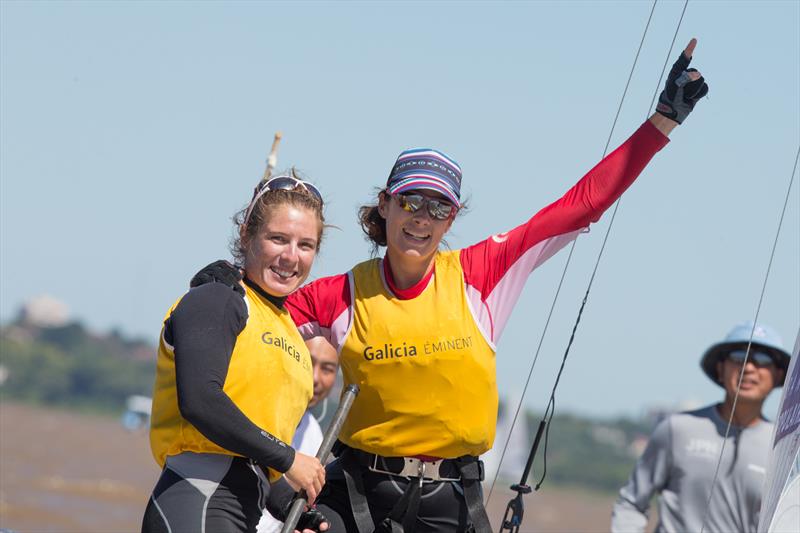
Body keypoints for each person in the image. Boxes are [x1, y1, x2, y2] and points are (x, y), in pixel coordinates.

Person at [193, 40, 709, 533]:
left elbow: (583, 202)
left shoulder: (483, 273)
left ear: (452, 218)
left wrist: (662, 121)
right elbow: (256, 311)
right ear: (385, 206)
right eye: (411, 202)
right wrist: (224, 283)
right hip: (357, 494)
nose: (422, 218)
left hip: (452, 500)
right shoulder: (340, 294)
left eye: (439, 208)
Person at [142, 170, 330, 533]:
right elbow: (200, 401)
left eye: (305, 245)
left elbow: (251, 460)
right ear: (247, 235)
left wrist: (290, 507)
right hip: (195, 501)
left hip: (240, 509)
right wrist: (289, 458)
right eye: (278, 239)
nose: (291, 256)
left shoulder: (288, 330)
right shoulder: (217, 297)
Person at [610, 321, 790, 533]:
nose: (748, 367)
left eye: (762, 359)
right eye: (738, 357)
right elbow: (631, 503)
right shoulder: (677, 429)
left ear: (778, 375)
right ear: (720, 369)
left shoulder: (783, 450)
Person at [258, 337, 341, 533]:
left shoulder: (315, 436)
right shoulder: (256, 413)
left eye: (327, 369)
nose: (314, 377)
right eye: (307, 361)